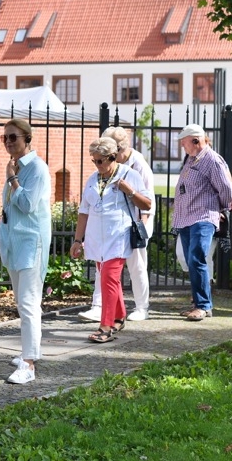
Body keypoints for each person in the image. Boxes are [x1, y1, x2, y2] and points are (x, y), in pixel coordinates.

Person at [70, 137, 151, 342]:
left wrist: (129, 191)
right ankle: (118, 316)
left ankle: (105, 326)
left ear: (112, 157)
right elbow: (83, 212)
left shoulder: (129, 175)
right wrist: (78, 240)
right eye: (94, 161)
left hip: (119, 235)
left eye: (100, 161)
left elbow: (147, 204)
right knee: (108, 278)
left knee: (109, 278)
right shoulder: (92, 179)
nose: (97, 165)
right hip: (97, 237)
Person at [0, 119, 52, 385]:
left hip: (31, 244)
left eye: (13, 137)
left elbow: (28, 204)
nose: (8, 142)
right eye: (4, 138)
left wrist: (12, 179)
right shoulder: (15, 166)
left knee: (29, 304)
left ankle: (29, 364)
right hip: (13, 243)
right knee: (22, 302)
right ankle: (28, 353)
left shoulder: (38, 168)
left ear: (27, 139)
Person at [172, 124, 232, 321]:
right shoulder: (192, 159)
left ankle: (203, 305)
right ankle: (199, 303)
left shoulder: (212, 159)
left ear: (196, 141)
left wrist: (222, 208)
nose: (183, 146)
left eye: (184, 143)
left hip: (202, 216)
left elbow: (225, 188)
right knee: (192, 261)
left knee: (197, 259)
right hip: (186, 218)